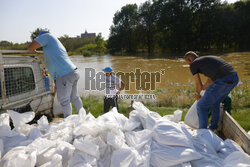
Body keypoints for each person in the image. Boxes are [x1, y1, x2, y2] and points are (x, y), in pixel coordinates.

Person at [28, 30, 83, 118]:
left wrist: (34, 49)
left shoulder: (46, 36)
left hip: (64, 74)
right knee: (75, 97)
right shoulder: (55, 43)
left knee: (64, 100)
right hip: (72, 72)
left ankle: (68, 122)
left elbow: (30, 47)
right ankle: (83, 117)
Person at [184, 51, 238, 130]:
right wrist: (202, 91)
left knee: (201, 106)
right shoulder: (206, 61)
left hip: (222, 80)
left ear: (189, 60)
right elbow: (210, 80)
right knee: (215, 103)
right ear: (197, 55)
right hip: (234, 79)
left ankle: (203, 132)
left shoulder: (193, 64)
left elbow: (198, 83)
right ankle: (213, 127)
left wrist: (197, 93)